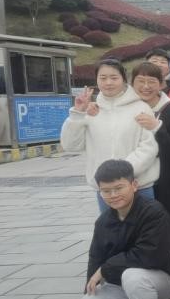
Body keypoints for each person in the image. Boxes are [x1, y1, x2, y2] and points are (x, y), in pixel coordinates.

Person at [69, 159, 170, 299]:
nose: (113, 195)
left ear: (134, 185)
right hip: (124, 284)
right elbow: (96, 256)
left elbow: (148, 255)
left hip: (162, 280)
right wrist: (91, 283)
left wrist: (105, 270)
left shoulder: (153, 212)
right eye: (106, 191)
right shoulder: (104, 221)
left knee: (132, 275)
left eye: (118, 188)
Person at [61, 59, 159, 211]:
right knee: (111, 227)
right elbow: (71, 146)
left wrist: (122, 173)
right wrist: (77, 114)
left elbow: (149, 147)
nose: (108, 83)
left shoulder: (141, 108)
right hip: (106, 190)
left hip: (138, 187)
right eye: (103, 78)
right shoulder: (91, 111)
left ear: (123, 80)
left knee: (146, 226)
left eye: (114, 78)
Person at [131, 62, 170, 227]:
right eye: (140, 81)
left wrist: (157, 127)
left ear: (160, 84)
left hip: (167, 182)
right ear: (132, 83)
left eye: (151, 81)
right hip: (137, 180)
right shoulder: (128, 108)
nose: (146, 86)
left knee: (169, 225)